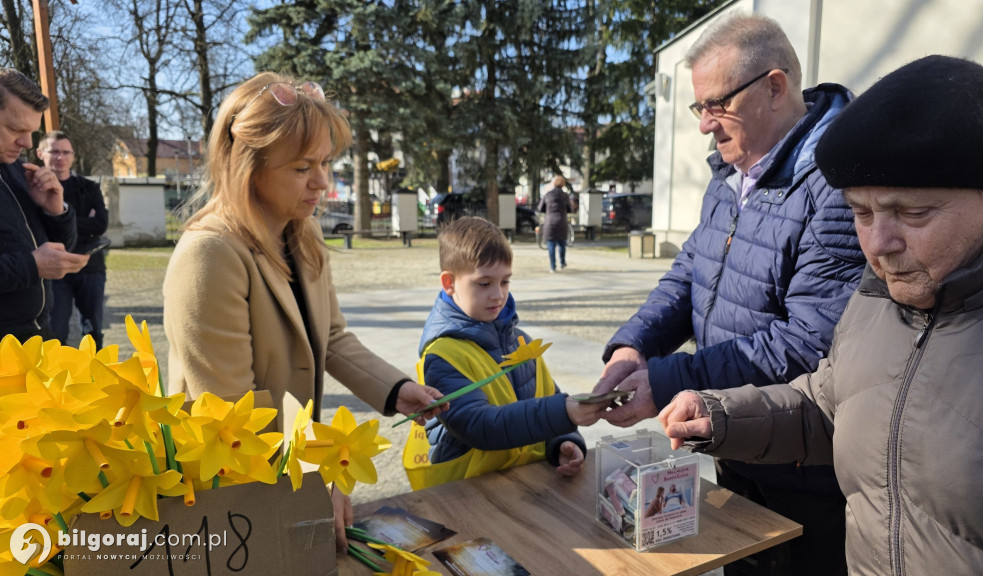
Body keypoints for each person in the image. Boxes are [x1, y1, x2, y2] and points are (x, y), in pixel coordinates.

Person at [659, 54, 983, 575]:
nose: (878, 244)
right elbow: (830, 403)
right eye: (861, 212)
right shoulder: (877, 297)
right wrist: (721, 415)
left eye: (913, 213)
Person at [591, 13, 866, 576]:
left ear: (775, 87)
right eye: (699, 107)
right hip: (728, 436)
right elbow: (689, 272)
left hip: (800, 464)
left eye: (717, 104)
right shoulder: (730, 175)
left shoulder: (835, 184)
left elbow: (808, 342)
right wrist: (635, 346)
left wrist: (668, 381)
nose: (703, 125)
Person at [162, 71, 446, 553]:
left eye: (326, 163)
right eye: (301, 168)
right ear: (246, 165)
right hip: (231, 487)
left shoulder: (302, 231)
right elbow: (232, 413)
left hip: (281, 471)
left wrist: (396, 389)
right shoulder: (209, 254)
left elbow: (331, 338)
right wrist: (315, 475)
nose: (322, 182)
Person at [408, 216, 605, 488]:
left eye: (505, 282)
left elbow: (548, 397)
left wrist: (563, 441)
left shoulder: (521, 341)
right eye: (484, 283)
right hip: (469, 491)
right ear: (449, 283)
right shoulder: (442, 356)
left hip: (526, 482)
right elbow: (480, 426)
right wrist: (564, 413)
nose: (498, 295)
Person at [0, 68, 88, 342]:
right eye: (15, 129)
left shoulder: (17, 170)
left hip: (37, 333)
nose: (27, 143)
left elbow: (61, 246)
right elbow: (37, 261)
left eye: (31, 131)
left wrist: (55, 211)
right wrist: (33, 266)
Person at [38, 131, 109, 347]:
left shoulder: (89, 187)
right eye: (54, 152)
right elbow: (38, 225)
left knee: (93, 330)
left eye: (66, 152)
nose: (61, 157)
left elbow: (100, 224)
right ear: (40, 153)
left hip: (90, 265)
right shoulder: (34, 189)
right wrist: (83, 220)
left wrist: (56, 216)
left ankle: (95, 368)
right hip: (55, 270)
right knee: (56, 331)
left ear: (73, 156)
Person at [537, 175, 570, 272]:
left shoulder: (548, 195)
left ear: (554, 184)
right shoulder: (565, 196)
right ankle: (562, 263)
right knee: (562, 243)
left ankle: (552, 266)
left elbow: (540, 208)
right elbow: (570, 209)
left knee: (551, 244)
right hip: (562, 221)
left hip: (550, 222)